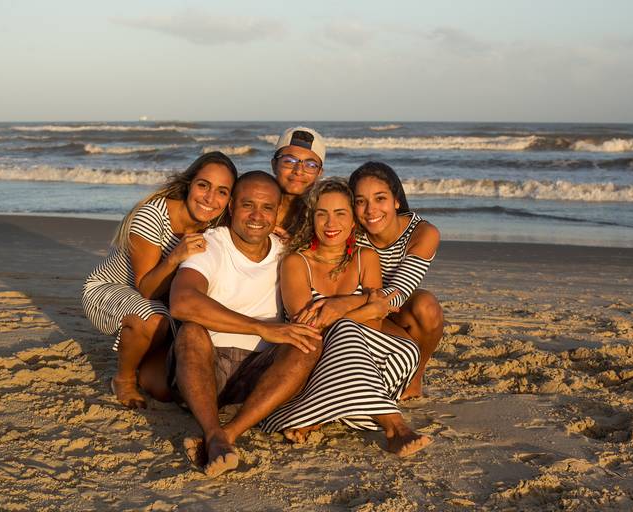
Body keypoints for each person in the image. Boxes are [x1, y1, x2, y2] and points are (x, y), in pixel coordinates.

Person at [260, 178, 432, 457]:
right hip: (317, 360)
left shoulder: (366, 258)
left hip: (370, 358)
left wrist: (341, 307)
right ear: (311, 218)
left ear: (353, 221)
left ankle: (320, 413)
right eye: (322, 214)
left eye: (340, 213)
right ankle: (395, 428)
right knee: (346, 332)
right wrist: (365, 308)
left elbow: (376, 324)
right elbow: (308, 327)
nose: (331, 223)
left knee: (400, 347)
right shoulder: (296, 262)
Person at [168, 171, 323, 478]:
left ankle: (227, 434)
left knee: (307, 341)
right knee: (191, 331)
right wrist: (260, 327)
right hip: (205, 368)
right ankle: (212, 430)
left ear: (277, 213)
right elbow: (182, 302)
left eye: (267, 208)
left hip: (262, 375)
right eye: (247, 205)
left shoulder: (286, 251)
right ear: (231, 207)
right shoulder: (212, 245)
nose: (257, 216)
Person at [82, 152, 237, 408]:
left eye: (222, 191)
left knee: (164, 389)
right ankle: (123, 379)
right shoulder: (153, 215)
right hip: (112, 291)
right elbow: (147, 289)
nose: (210, 198)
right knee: (151, 319)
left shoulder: (216, 224)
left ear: (229, 199)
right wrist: (175, 257)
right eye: (203, 185)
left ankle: (140, 355)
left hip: (164, 305)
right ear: (189, 184)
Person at [349, 162, 444, 399]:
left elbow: (400, 291)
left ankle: (416, 376)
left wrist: (345, 306)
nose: (370, 210)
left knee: (426, 306)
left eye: (380, 198)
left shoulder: (422, 233)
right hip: (361, 309)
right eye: (361, 201)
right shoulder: (350, 231)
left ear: (396, 200)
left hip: (393, 307)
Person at [270, 126, 326, 239]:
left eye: (310, 165)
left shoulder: (320, 217)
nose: (299, 171)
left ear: (319, 173)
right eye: (289, 161)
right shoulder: (254, 207)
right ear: (274, 165)